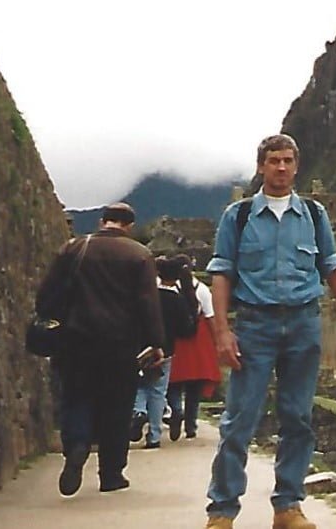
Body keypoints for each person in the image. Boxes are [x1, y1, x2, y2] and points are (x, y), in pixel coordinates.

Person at [204, 134, 336, 529]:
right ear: (261, 166)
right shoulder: (238, 217)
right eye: (273, 160)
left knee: (297, 417)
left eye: (288, 160)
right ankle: (222, 511)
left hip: (302, 323)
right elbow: (222, 272)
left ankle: (288, 506)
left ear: (296, 166)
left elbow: (331, 265)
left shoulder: (313, 215)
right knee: (240, 418)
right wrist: (222, 331)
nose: (281, 167)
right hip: (255, 324)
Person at [35, 202, 165, 496]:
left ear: (102, 221)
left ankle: (77, 446)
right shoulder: (139, 255)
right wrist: (156, 342)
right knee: (117, 408)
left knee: (76, 397)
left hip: (75, 340)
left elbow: (46, 296)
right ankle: (111, 473)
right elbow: (148, 303)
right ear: (129, 226)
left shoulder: (73, 248)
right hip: (120, 345)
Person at [130, 255, 195, 448]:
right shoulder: (178, 300)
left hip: (141, 348)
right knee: (158, 392)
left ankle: (139, 411)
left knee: (139, 384)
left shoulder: (147, 296)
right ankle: (155, 435)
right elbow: (186, 330)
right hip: (166, 350)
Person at [167, 256, 221, 441]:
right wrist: (217, 343)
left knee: (171, 384)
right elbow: (211, 317)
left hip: (175, 341)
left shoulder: (168, 287)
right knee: (194, 389)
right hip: (198, 342)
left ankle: (175, 410)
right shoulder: (203, 290)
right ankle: (191, 425)